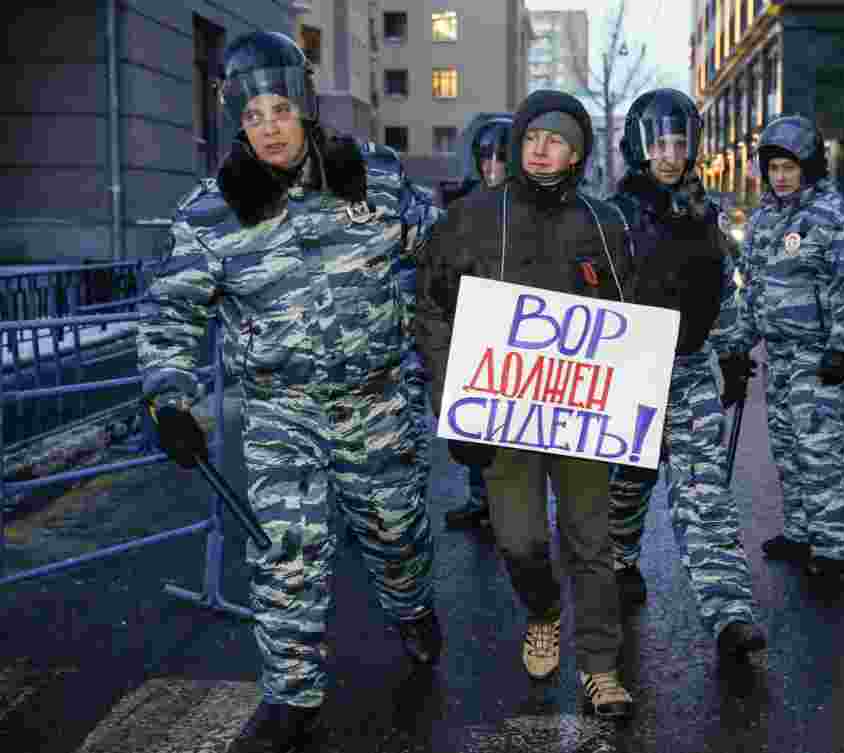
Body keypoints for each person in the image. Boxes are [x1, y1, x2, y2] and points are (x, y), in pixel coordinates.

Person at [136, 32, 441, 753]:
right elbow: (171, 312)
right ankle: (292, 694)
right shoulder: (211, 213)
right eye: (252, 116)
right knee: (286, 551)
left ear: (303, 107)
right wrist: (170, 397)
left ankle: (412, 605)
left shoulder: (376, 179)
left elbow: (448, 256)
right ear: (237, 124)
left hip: (377, 401)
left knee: (397, 535)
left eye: (280, 109)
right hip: (282, 412)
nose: (269, 126)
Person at [415, 90, 635, 718]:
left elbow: (631, 319)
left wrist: (646, 415)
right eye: (533, 136)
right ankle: (542, 611)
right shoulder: (471, 217)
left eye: (558, 140)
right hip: (503, 415)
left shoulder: (603, 221)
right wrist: (452, 402)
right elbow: (432, 310)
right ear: (517, 144)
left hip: (582, 415)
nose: (542, 149)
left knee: (593, 543)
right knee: (519, 541)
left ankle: (600, 666)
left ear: (577, 153)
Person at [604, 88, 767, 659]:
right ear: (639, 147)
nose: (671, 155)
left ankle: (730, 614)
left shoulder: (704, 212)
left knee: (704, 496)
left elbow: (720, 289)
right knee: (628, 482)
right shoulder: (614, 215)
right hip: (631, 370)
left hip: (692, 367)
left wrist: (731, 350)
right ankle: (621, 559)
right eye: (660, 143)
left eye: (680, 142)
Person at [721, 113, 844, 582]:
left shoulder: (836, 218)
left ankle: (833, 548)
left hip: (817, 356)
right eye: (774, 168)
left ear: (809, 167)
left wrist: (843, 346)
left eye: (790, 167)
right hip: (779, 356)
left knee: (819, 452)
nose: (781, 176)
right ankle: (800, 532)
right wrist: (737, 344)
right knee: (788, 448)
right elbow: (751, 290)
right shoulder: (764, 220)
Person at [441, 113, 513, 530]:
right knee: (476, 423)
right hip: (473, 325)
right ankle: (479, 498)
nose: (492, 166)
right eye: (485, 157)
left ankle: (516, 507)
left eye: (500, 158)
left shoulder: (529, 205)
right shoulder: (463, 208)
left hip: (517, 327)